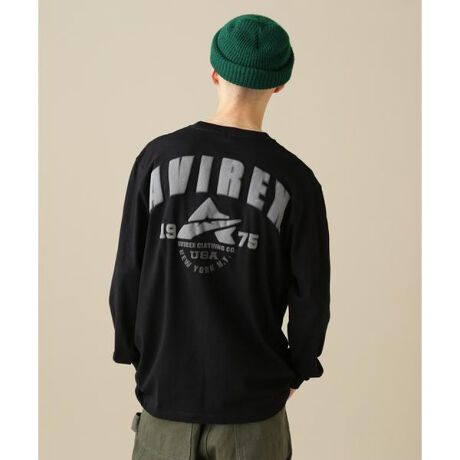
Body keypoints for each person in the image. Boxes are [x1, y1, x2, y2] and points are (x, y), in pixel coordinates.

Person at [109, 13, 331, 460]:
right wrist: (299, 367)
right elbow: (311, 297)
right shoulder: (297, 181)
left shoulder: (156, 159)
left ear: (214, 72)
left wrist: (135, 352)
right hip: (253, 406)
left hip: (165, 396)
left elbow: (128, 273)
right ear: (280, 84)